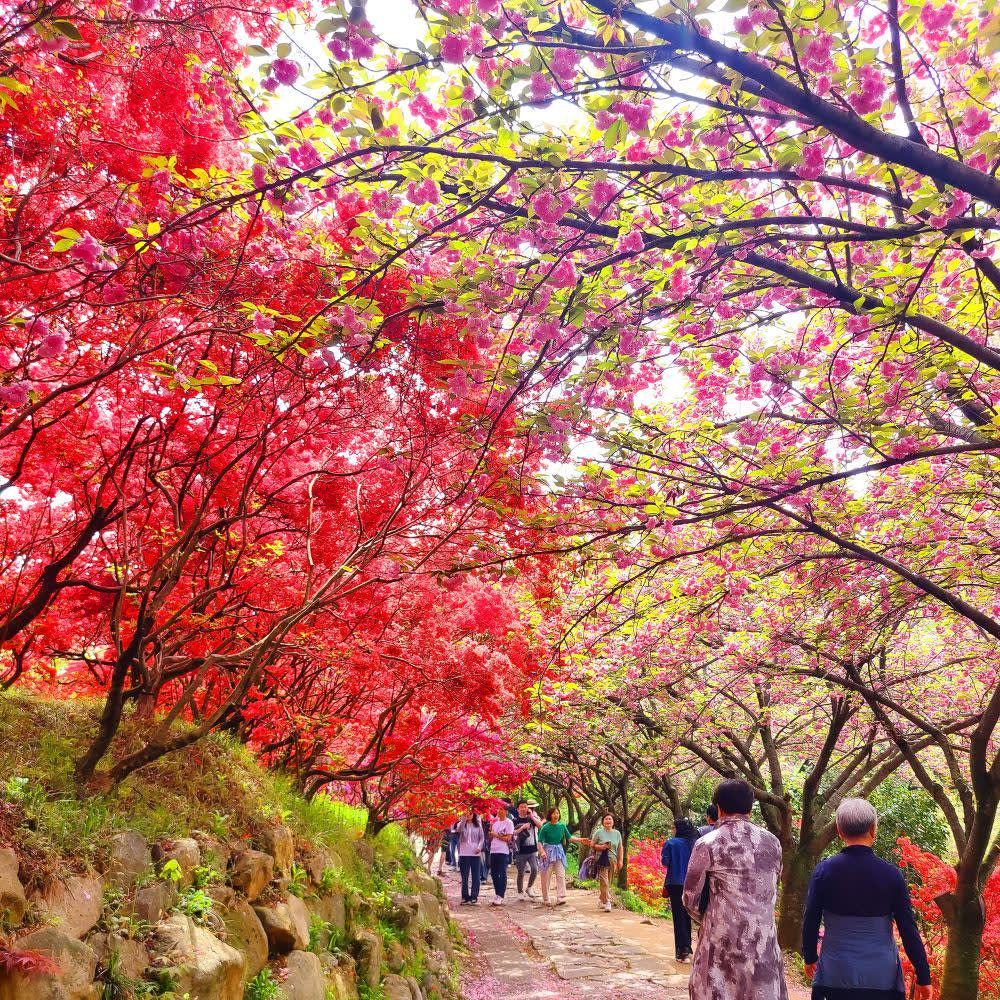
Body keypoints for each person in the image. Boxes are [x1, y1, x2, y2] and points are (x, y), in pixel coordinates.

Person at [803, 798, 933, 1000]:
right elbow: (908, 929)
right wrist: (924, 976)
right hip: (881, 976)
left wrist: (810, 956)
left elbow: (811, 918)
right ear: (873, 829)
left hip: (836, 973)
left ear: (839, 830)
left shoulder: (824, 871)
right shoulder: (891, 875)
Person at [682, 778, 787, 1000]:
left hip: (722, 942)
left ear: (718, 808)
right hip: (763, 941)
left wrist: (708, 919)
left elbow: (690, 897)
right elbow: (772, 885)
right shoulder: (773, 842)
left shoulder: (708, 843)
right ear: (750, 808)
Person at [662, 817, 699, 962]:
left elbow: (665, 863)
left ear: (678, 829)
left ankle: (682, 950)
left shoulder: (671, 843)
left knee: (678, 917)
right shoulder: (694, 844)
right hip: (691, 884)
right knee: (687, 915)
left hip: (675, 883)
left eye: (673, 827)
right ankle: (687, 946)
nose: (672, 830)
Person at [537, 807, 582, 906]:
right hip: (548, 852)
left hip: (559, 852)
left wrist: (581, 840)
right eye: (553, 813)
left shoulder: (562, 826)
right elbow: (539, 842)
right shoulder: (545, 827)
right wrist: (542, 852)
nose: (556, 815)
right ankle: (546, 898)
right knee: (546, 876)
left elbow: (569, 838)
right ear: (550, 815)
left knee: (561, 874)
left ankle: (561, 897)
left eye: (557, 813)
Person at [590, 812, 623, 912]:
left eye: (610, 819)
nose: (608, 821)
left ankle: (601, 900)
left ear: (613, 822)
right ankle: (608, 901)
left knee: (608, 881)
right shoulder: (599, 832)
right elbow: (592, 844)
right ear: (603, 821)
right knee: (604, 881)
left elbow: (620, 847)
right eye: (606, 819)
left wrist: (620, 860)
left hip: (613, 860)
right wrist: (601, 847)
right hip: (601, 859)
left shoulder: (617, 833)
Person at [512, 800, 543, 901]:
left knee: (534, 869)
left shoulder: (531, 819)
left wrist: (532, 816)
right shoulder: (515, 820)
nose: (524, 808)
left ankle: (529, 887)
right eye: (521, 807)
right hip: (520, 851)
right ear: (518, 809)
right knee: (521, 872)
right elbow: (513, 833)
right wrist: (522, 827)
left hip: (532, 850)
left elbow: (540, 826)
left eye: (525, 807)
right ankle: (520, 891)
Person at [456, 809, 485, 905]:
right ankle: (465, 897)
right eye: (466, 813)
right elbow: (459, 830)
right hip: (464, 853)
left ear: (473, 814)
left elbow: (482, 837)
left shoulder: (478, 825)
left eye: (470, 813)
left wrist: (479, 847)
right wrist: (464, 817)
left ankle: (474, 896)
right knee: (464, 876)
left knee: (476, 876)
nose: (468, 815)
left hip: (475, 853)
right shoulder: (461, 823)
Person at [488, 808, 515, 905]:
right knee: (493, 873)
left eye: (502, 809)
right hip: (493, 850)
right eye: (498, 809)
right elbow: (492, 838)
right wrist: (491, 834)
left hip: (503, 851)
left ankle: (501, 895)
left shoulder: (509, 823)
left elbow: (508, 838)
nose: (500, 811)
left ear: (507, 811)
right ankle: (497, 893)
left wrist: (496, 835)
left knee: (501, 872)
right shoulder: (495, 823)